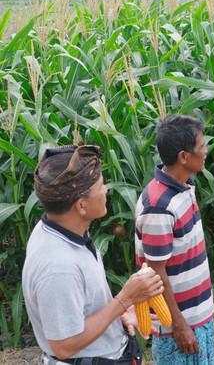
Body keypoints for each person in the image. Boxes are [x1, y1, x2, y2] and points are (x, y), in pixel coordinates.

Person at [22, 145, 164, 365]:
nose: (106, 190)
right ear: (81, 205)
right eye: (100, 185)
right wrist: (124, 299)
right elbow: (64, 345)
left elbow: (79, 307)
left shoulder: (61, 229)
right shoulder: (57, 266)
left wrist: (118, 315)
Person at [134, 115, 214, 364]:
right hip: (177, 327)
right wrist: (178, 325)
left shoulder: (183, 188)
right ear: (184, 156)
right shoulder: (159, 207)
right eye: (202, 146)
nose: (206, 152)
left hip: (198, 318)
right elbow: (156, 272)